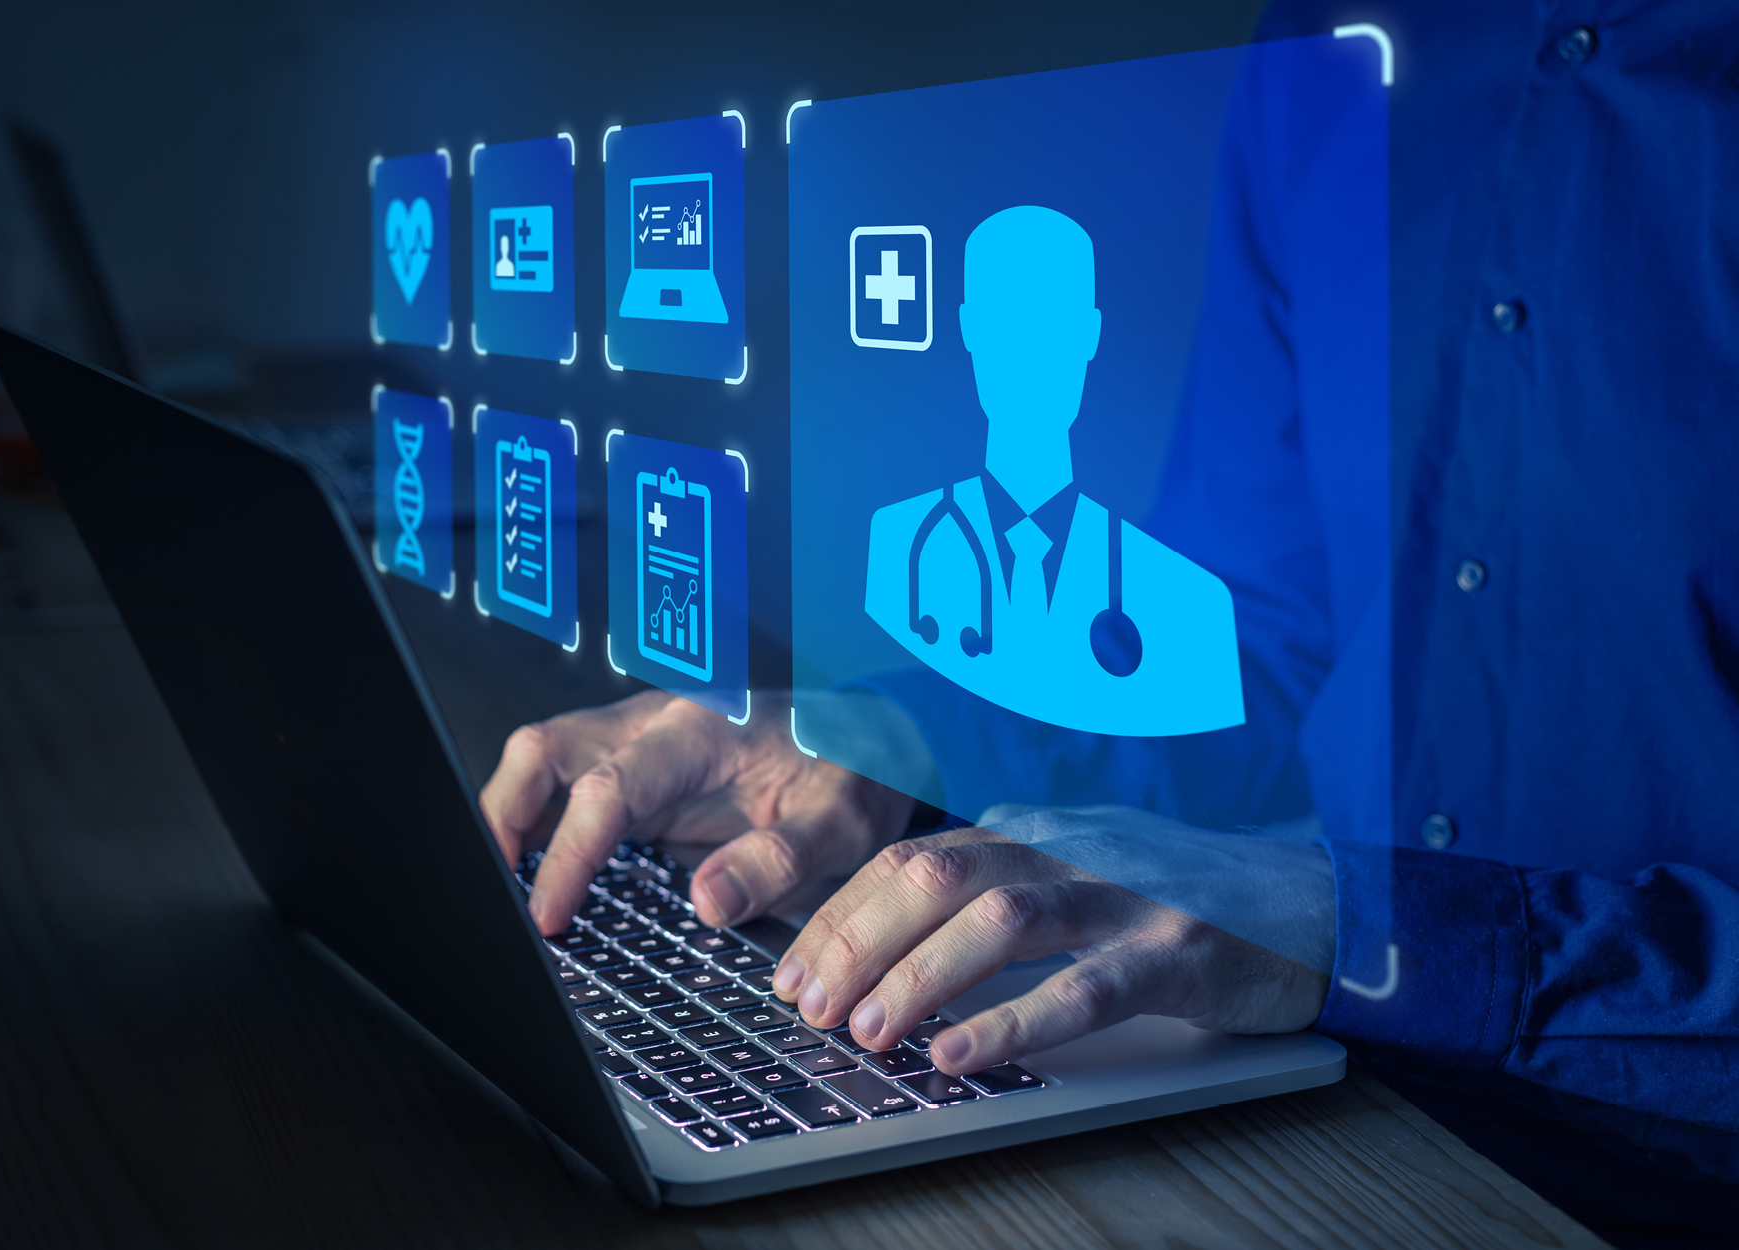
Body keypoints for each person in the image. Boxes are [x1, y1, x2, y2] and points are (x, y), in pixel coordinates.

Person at [480, 1, 1738, 1241]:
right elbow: (1265, 639)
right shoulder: (1331, 43)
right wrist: (888, 740)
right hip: (1348, 1105)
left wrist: (1352, 924)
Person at [862, 204, 1243, 737]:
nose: (1030, 354)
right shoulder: (901, 545)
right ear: (971, 331)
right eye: (1008, 323)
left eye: (1052, 322)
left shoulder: (1179, 599)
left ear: (1089, 335)